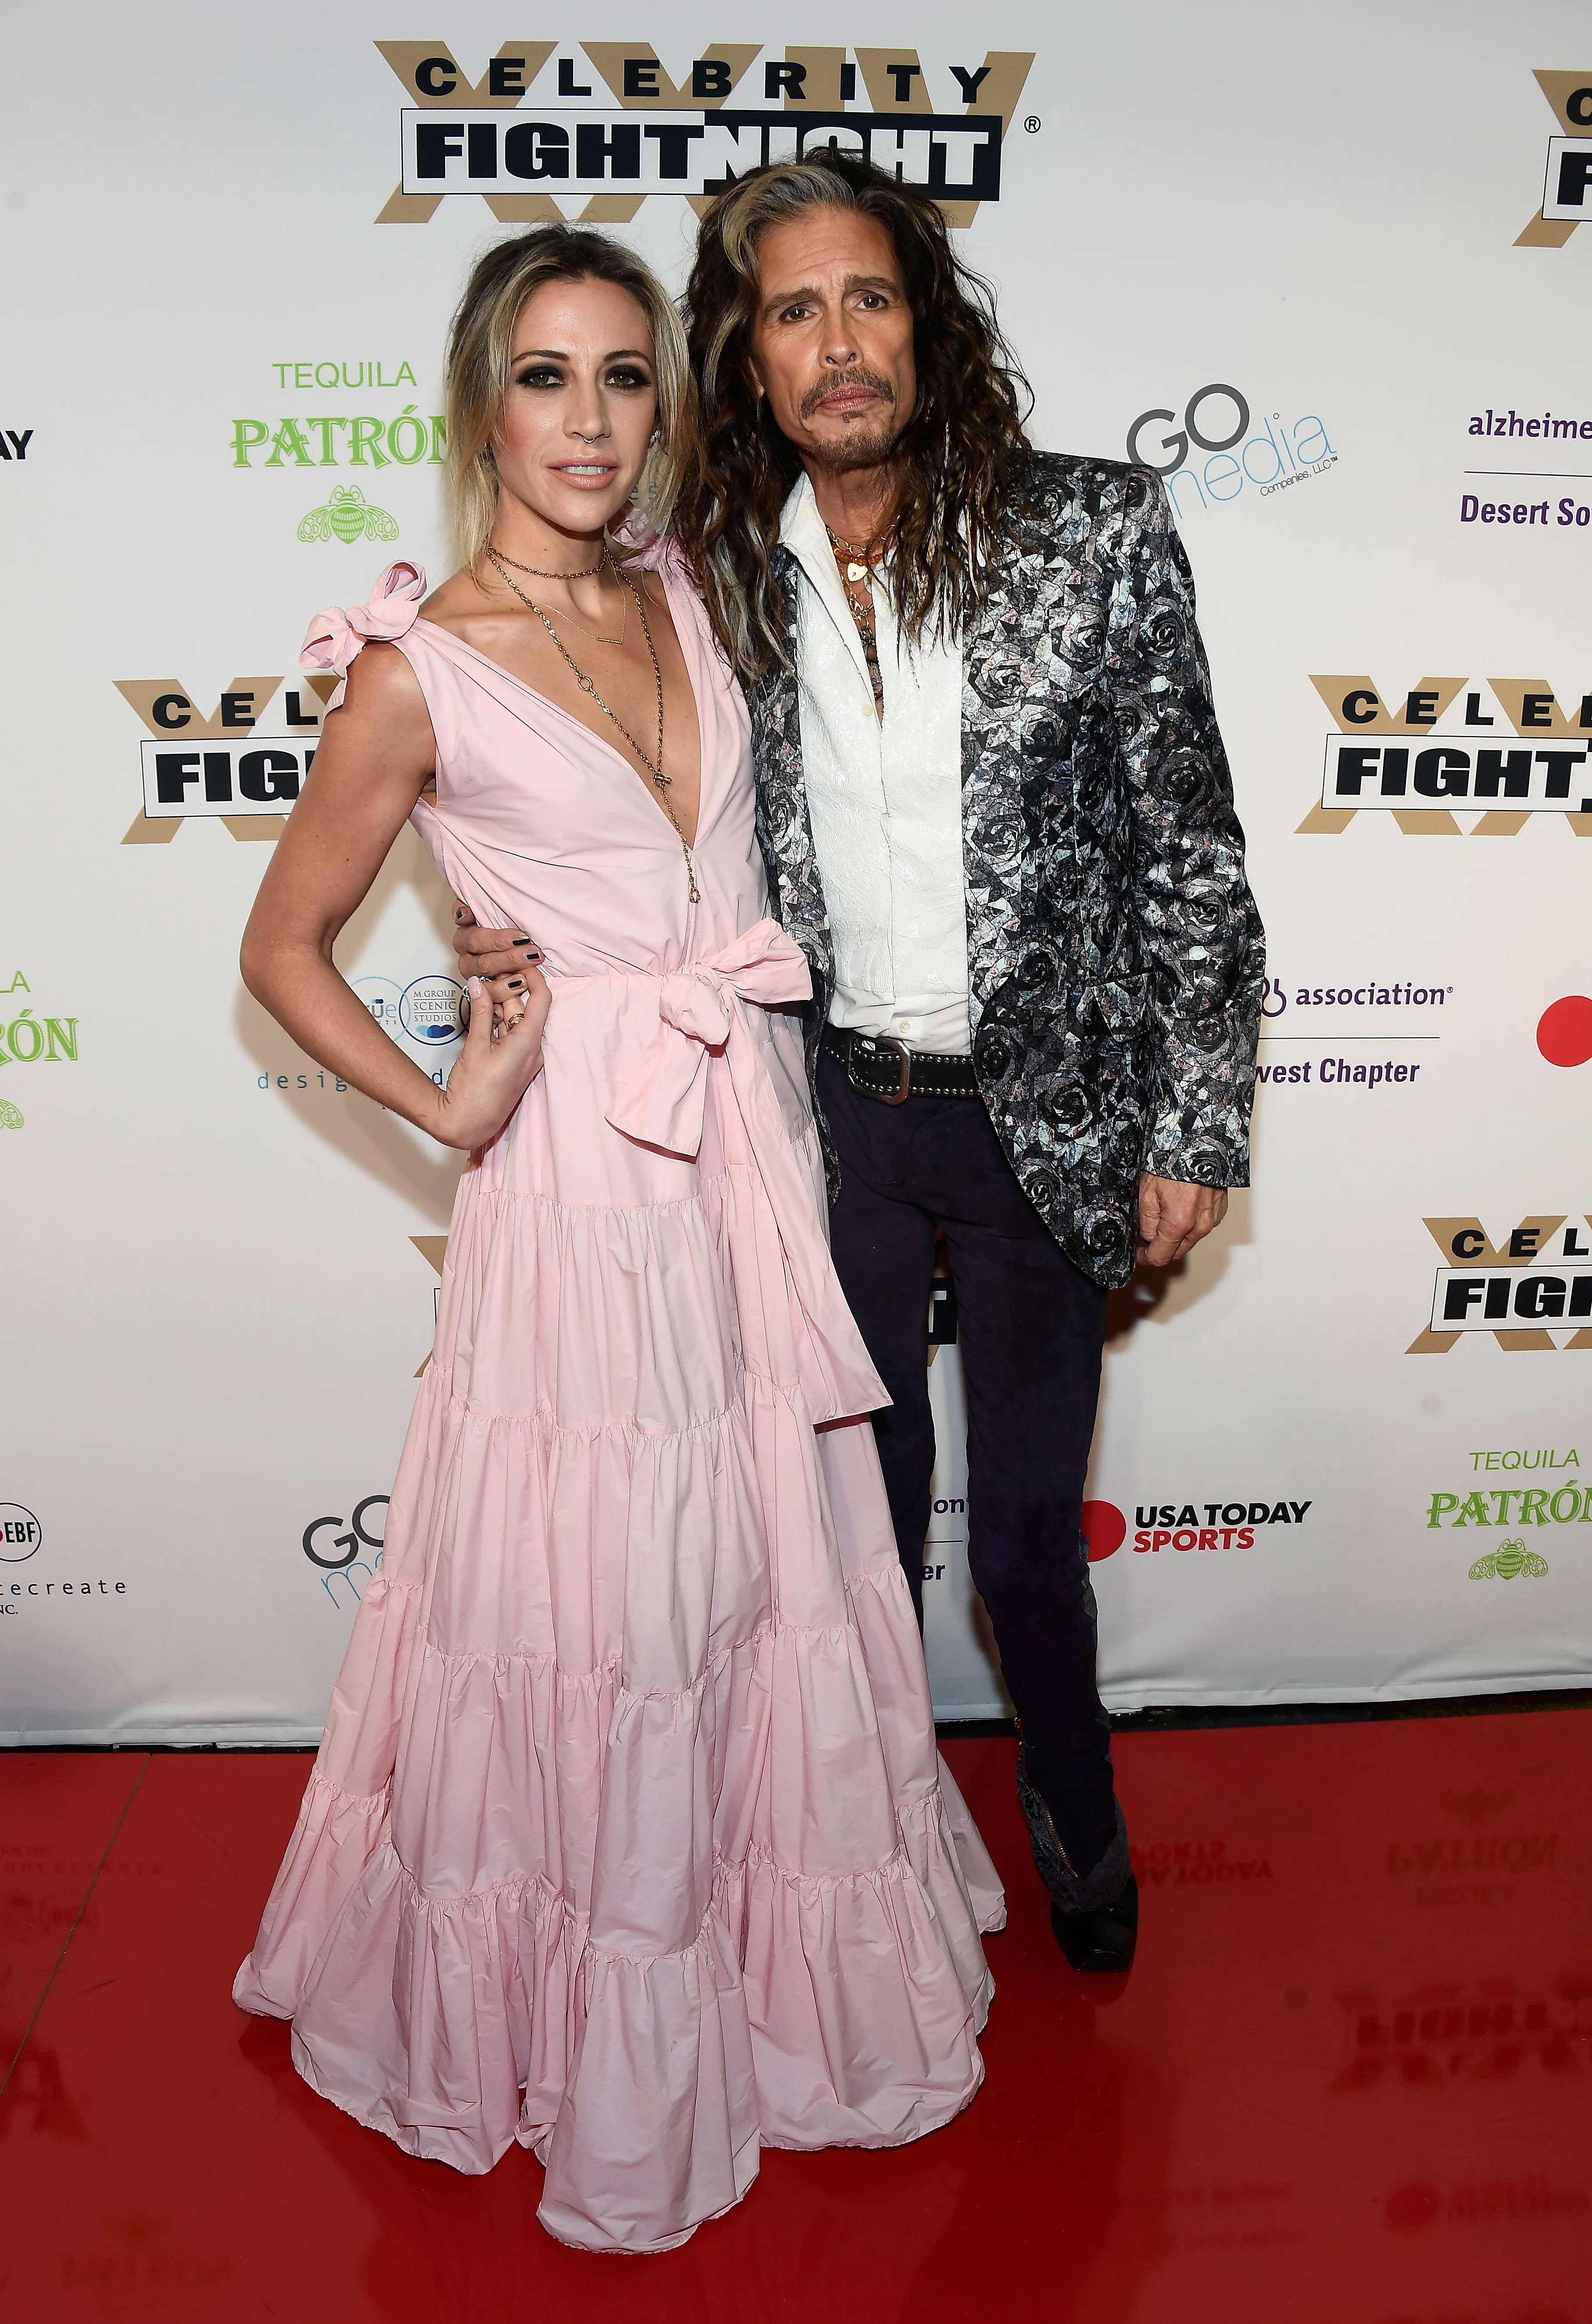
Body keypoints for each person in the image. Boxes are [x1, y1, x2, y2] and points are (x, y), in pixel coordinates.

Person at [232, 224, 1003, 2258]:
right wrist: (452, 1093)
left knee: (772, 1563)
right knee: (617, 1604)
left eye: (627, 376)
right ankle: (599, 2029)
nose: (591, 421)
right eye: (547, 376)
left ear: (671, 399)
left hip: (746, 1127)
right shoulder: (414, 668)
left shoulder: (686, 582)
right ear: (480, 399)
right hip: (582, 1179)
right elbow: (282, 947)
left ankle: (776, 1990)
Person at [456, 157, 1265, 1975]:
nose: (840, 346)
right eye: (796, 311)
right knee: (842, 1539)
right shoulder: (704, 577)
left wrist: (1196, 1114)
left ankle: (1071, 1802)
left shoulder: (1096, 528)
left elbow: (1191, 848)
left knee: (1028, 1540)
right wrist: (500, 919)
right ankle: (868, 1862)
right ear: (744, 357)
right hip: (822, 1129)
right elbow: (562, 749)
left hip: (1049, 1117)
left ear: (929, 323)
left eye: (871, 300)